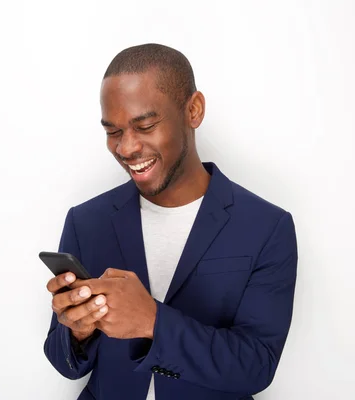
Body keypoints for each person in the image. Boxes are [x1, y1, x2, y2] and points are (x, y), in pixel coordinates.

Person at [44, 43, 298, 400]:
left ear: (193, 110)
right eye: (113, 132)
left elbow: (256, 366)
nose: (126, 148)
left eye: (145, 125)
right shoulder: (86, 221)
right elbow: (63, 361)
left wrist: (152, 321)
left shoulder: (266, 227)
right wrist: (77, 331)